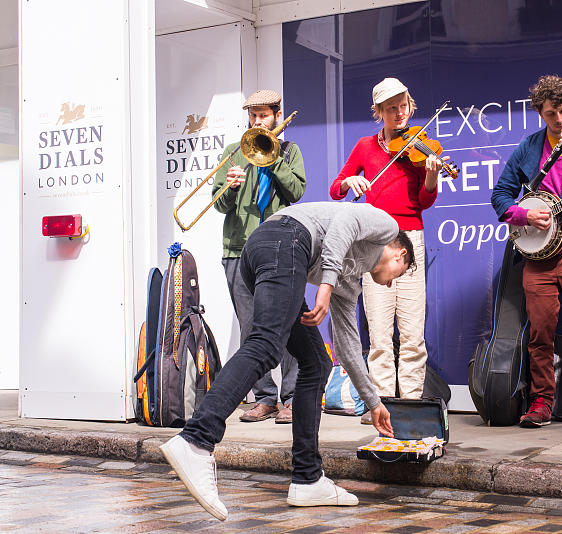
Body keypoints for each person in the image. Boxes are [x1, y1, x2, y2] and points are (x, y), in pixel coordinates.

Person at [161, 201, 414, 520]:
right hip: (284, 239)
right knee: (266, 345)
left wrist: (374, 402)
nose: (390, 283)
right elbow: (345, 221)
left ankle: (308, 478)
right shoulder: (388, 228)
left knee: (317, 363)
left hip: (268, 250)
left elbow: (348, 346)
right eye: (398, 275)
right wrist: (325, 285)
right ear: (399, 254)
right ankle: (196, 439)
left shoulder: (349, 280)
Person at [329, 77, 444, 423]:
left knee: (411, 331)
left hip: (409, 238)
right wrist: (349, 181)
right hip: (375, 240)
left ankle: (409, 404)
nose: (399, 113)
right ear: (379, 111)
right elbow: (336, 189)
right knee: (379, 332)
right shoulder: (365, 146)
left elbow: (424, 202)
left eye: (403, 105)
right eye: (391, 108)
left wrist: (431, 177)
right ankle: (380, 404)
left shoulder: (418, 145)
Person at [491, 75, 562, 431]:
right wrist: (524, 215)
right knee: (540, 335)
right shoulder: (529, 147)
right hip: (538, 258)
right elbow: (500, 195)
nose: (559, 119)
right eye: (551, 113)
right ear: (540, 112)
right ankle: (541, 402)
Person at [212, 89, 304, 424]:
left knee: (288, 325)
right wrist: (231, 188)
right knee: (251, 329)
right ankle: (264, 398)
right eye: (252, 116)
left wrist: (273, 158)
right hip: (238, 250)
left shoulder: (290, 151)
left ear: (277, 115)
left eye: (263, 115)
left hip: (278, 248)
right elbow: (218, 204)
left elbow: (296, 191)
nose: (256, 121)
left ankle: (292, 398)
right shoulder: (233, 153)